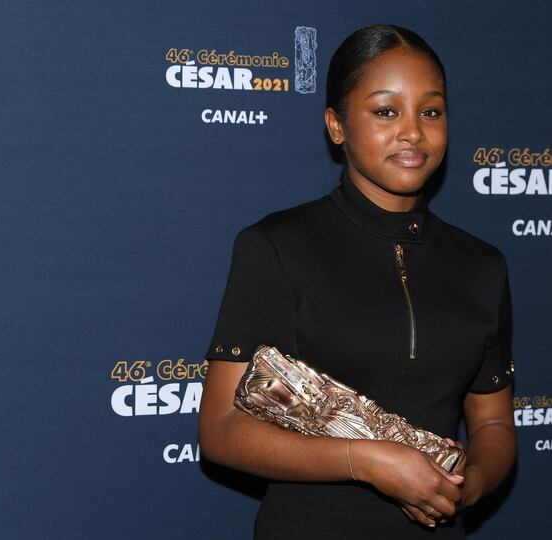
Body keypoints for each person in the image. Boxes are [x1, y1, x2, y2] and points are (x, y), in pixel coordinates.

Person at [198, 24, 517, 539]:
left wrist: (466, 484)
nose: (412, 131)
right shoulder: (276, 245)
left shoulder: (482, 264)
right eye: (386, 111)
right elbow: (221, 430)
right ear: (337, 125)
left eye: (430, 112)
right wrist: (365, 461)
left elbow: (494, 425)